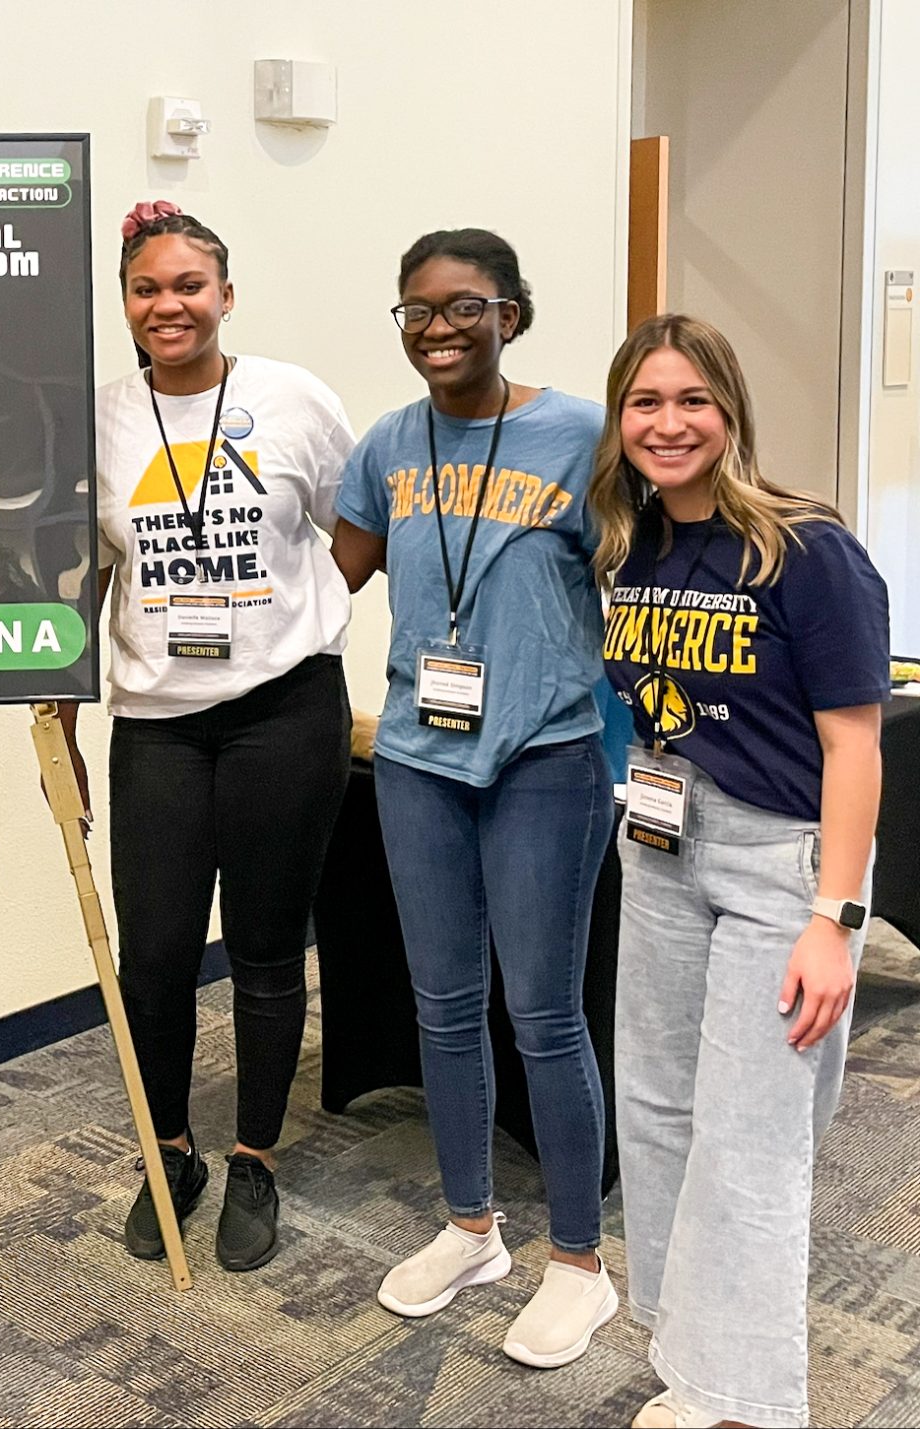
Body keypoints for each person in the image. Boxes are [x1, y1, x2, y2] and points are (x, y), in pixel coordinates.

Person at [592, 315, 889, 1429]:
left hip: (779, 861)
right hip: (663, 842)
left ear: (729, 412)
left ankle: (751, 1406)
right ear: (619, 420)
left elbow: (854, 745)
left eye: (690, 401)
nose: (667, 425)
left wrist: (834, 917)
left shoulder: (805, 549)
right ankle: (692, 1361)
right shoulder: (629, 545)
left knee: (751, 1137)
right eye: (643, 403)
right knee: (660, 1111)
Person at [330, 229, 617, 1365]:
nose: (437, 328)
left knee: (544, 1016)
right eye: (415, 310)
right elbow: (323, 578)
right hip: (413, 756)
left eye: (462, 306)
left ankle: (579, 1264)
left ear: (512, 313)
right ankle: (470, 1228)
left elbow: (637, 579)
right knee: (441, 1006)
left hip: (546, 756)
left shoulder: (580, 437)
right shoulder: (387, 444)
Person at [59, 200, 355, 1273]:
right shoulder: (99, 419)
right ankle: (169, 1149)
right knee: (155, 959)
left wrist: (294, 621)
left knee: (270, 952)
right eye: (146, 289)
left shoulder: (291, 399)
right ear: (126, 305)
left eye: (188, 285)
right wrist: (54, 698)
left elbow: (350, 523)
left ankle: (252, 1156)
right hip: (156, 728)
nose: (167, 304)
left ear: (224, 295)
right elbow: (85, 569)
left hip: (284, 714)